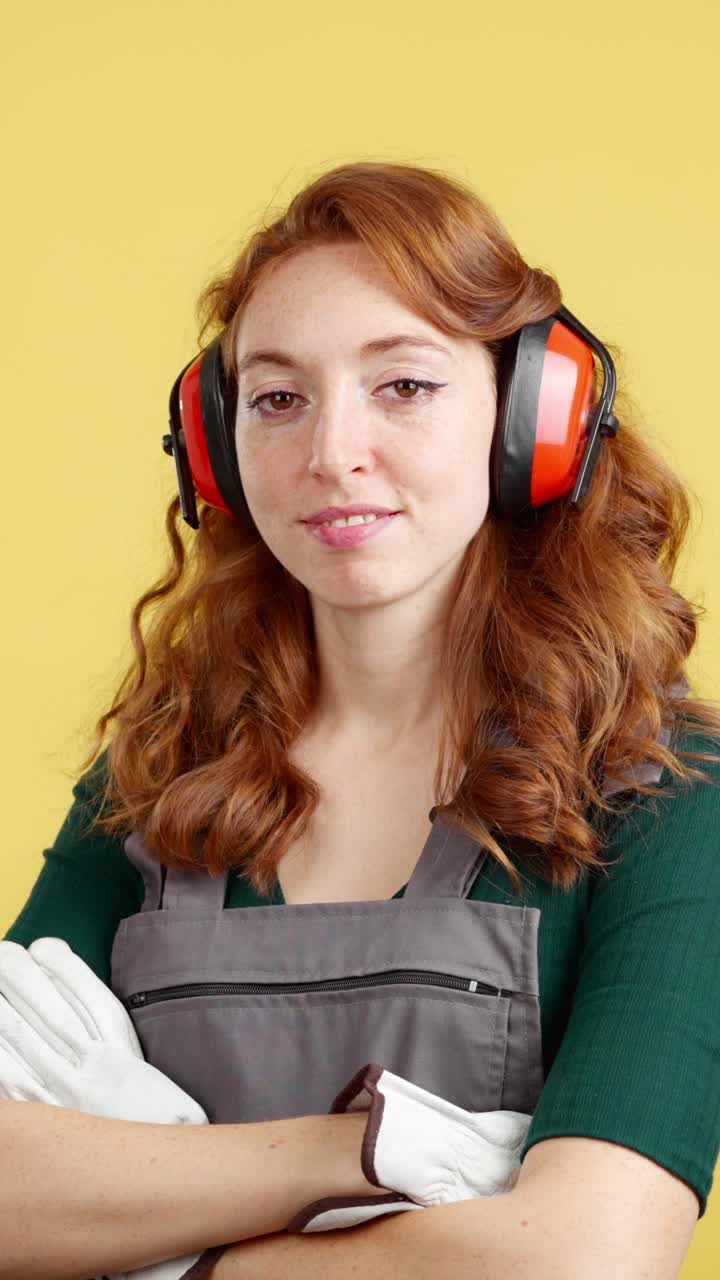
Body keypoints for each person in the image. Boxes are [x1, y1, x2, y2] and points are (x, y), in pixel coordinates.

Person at [2, 160, 720, 1280]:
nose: (332, 454)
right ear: (217, 446)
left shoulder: (662, 787)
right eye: (279, 398)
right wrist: (346, 1154)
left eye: (404, 386)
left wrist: (172, 1250)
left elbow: (580, 1254)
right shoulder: (156, 774)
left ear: (530, 417)